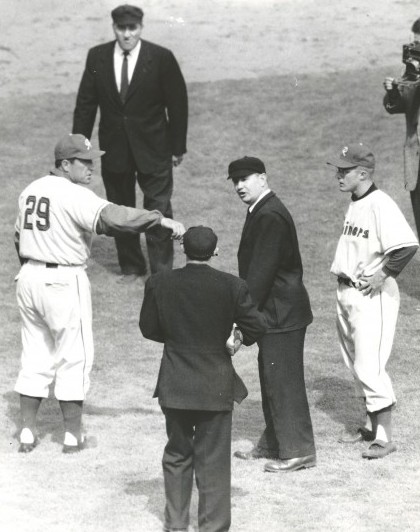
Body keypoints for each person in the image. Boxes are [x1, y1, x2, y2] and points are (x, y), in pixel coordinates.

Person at [14, 133, 185, 454]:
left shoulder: (29, 191)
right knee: (74, 356)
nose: (92, 167)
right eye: (84, 161)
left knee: (34, 354)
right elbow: (113, 218)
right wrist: (159, 220)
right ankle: (72, 436)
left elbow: (17, 237)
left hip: (28, 278)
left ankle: (25, 432)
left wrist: (28, 270)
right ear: (65, 165)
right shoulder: (73, 194)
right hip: (63, 280)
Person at [139, 226, 266, 532]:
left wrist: (176, 338)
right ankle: (213, 527)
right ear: (215, 252)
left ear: (183, 249)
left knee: (177, 454)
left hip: (175, 383)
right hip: (214, 387)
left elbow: (148, 328)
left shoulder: (159, 282)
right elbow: (258, 326)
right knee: (214, 462)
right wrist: (237, 335)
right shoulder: (232, 286)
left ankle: (175, 525)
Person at [72, 4, 188, 283]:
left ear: (140, 27)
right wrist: (79, 149)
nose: (126, 34)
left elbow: (178, 103)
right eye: (121, 29)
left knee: (158, 207)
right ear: (114, 28)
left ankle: (162, 274)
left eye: (132, 28)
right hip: (115, 150)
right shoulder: (97, 57)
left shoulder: (161, 57)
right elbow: (86, 106)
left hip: (155, 149)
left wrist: (177, 146)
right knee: (119, 208)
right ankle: (132, 267)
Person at [328, 143, 418, 459]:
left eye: (344, 170)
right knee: (353, 361)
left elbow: (407, 245)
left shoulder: (381, 204)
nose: (338, 175)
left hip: (372, 296)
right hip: (347, 290)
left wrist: (383, 274)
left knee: (370, 363)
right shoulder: (355, 203)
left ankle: (384, 436)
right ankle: (368, 424)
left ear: (363, 173)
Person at [228, 156, 316, 473]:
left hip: (281, 314)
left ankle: (299, 450)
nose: (239, 185)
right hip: (276, 312)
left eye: (245, 178)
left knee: (283, 382)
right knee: (271, 378)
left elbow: (260, 275)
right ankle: (275, 443)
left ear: (262, 179)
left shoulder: (269, 215)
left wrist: (241, 319)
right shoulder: (262, 210)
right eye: (235, 181)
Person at [383, 17, 420, 237]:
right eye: (415, 43)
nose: (416, 49)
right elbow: (395, 106)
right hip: (416, 154)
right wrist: (392, 91)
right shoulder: (413, 70)